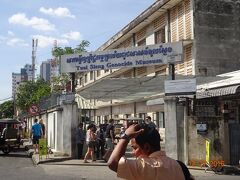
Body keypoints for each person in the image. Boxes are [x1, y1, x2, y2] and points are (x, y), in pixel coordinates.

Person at [108, 123, 192, 180]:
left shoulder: (143, 166)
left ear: (146, 147)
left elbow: (113, 163)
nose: (133, 152)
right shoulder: (180, 166)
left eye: (134, 148)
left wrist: (126, 136)